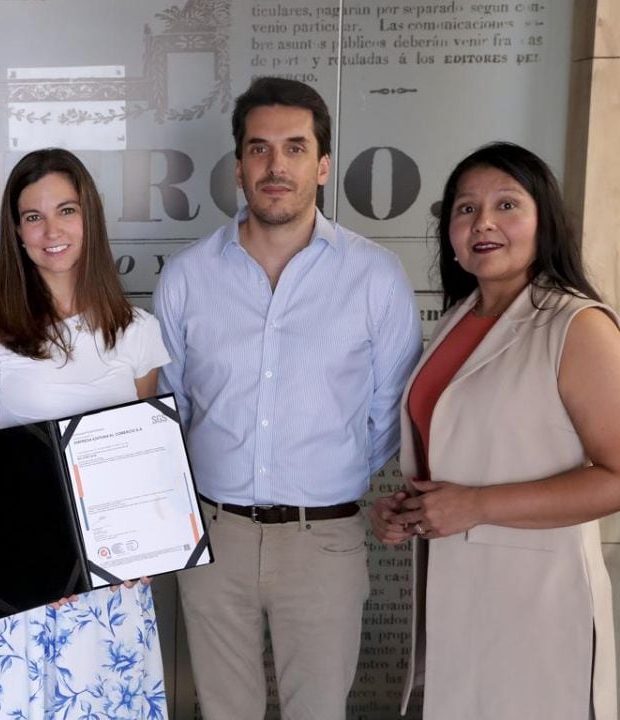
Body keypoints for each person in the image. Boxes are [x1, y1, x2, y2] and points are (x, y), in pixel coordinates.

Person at [154, 76, 422, 719]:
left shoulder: (375, 278)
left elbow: (388, 414)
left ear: (323, 164)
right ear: (239, 164)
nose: (277, 166)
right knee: (223, 711)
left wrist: (330, 478)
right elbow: (171, 408)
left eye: (296, 148)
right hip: (214, 538)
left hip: (324, 542)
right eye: (259, 148)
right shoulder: (188, 276)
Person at [369, 142, 620, 720]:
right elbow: (466, 455)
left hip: (537, 603)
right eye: (465, 209)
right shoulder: (461, 319)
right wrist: (411, 508)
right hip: (459, 597)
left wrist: (476, 505)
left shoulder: (575, 324)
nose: (483, 222)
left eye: (507, 205)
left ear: (544, 222)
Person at [0, 148, 170, 719]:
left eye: (66, 211)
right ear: (16, 232)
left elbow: (144, 459)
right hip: (15, 564)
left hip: (110, 576)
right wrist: (46, 557)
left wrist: (140, 544)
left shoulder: (138, 331)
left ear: (89, 217)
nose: (51, 231)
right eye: (32, 216)